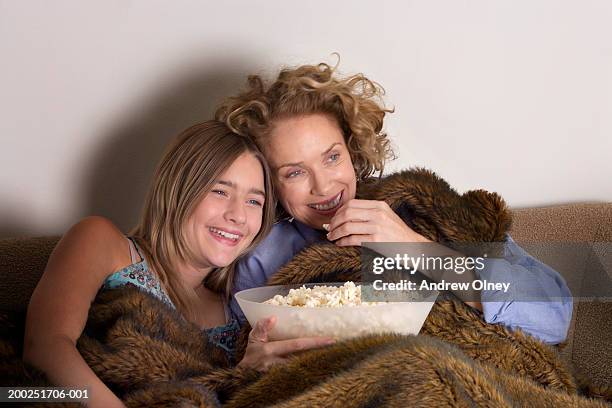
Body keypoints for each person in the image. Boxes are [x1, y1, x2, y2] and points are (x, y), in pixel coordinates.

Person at [215, 61, 573, 346]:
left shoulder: (421, 210)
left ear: (352, 148)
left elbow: (554, 316)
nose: (324, 186)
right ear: (269, 183)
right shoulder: (260, 259)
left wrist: (408, 244)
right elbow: (237, 357)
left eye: (332, 157)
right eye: (295, 173)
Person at [23, 121, 334, 408]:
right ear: (178, 190)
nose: (238, 215)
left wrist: (242, 375)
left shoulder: (238, 308)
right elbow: (45, 347)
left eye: (254, 201)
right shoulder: (102, 242)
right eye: (220, 191)